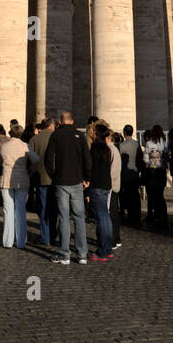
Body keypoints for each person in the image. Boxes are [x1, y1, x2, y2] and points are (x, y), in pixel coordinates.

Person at [45, 110, 91, 265]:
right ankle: (82, 254)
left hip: (61, 181)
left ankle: (65, 254)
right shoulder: (80, 136)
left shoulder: (56, 135)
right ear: (72, 121)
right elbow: (87, 159)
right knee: (79, 218)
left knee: (64, 218)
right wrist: (87, 178)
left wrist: (54, 175)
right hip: (77, 181)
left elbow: (48, 159)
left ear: (61, 121)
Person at [0, 124, 38, 249]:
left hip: (6, 179)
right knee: (20, 210)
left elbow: (0, 162)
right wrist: (31, 170)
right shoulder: (25, 146)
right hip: (22, 179)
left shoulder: (4, 146)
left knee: (7, 210)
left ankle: (7, 241)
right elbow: (36, 159)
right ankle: (21, 241)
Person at [88, 124, 116, 261]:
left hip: (97, 185)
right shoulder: (107, 149)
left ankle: (102, 251)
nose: (91, 132)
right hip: (106, 185)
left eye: (93, 130)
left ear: (97, 133)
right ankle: (108, 248)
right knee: (106, 217)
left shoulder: (95, 148)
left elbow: (91, 168)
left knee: (100, 219)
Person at [28, 117, 58, 245]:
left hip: (40, 178)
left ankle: (45, 237)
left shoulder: (34, 139)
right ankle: (53, 235)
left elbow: (30, 159)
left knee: (43, 208)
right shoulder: (57, 137)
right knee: (54, 208)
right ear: (51, 125)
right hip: (55, 178)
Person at [141, 126, 168, 227]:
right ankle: (163, 216)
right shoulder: (164, 143)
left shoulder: (149, 143)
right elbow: (166, 157)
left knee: (153, 195)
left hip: (152, 172)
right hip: (161, 171)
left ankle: (155, 215)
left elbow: (145, 159)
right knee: (160, 195)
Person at [118, 125, 143, 228]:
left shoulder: (121, 145)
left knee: (126, 195)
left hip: (124, 174)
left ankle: (129, 214)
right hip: (134, 173)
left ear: (124, 133)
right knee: (135, 195)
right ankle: (136, 214)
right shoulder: (137, 144)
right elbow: (140, 159)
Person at [107, 128, 122, 249]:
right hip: (113, 185)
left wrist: (108, 184)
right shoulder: (113, 149)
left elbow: (114, 171)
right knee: (113, 212)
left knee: (112, 213)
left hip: (112, 186)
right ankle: (115, 238)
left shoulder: (112, 150)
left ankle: (114, 238)